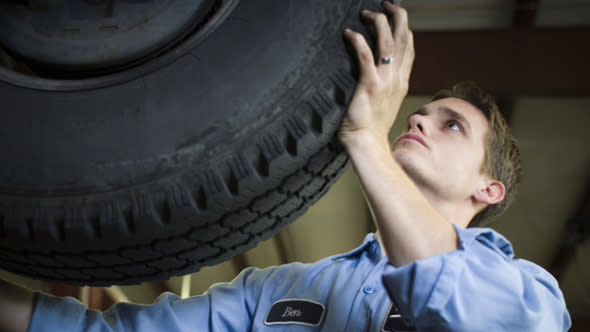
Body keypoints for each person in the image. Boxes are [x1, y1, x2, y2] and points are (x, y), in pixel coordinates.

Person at [0, 2, 572, 331]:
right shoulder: (284, 288)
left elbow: (460, 306)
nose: (418, 121)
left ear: (487, 188)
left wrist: (366, 138)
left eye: (452, 125)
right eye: (420, 114)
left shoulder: (529, 296)